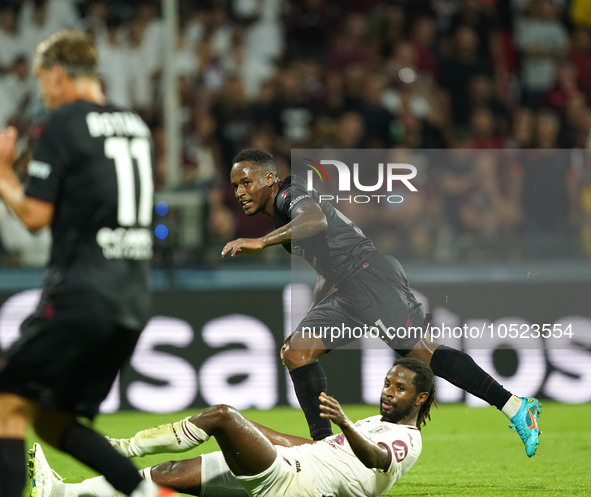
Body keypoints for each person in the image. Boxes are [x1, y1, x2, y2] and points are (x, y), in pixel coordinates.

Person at [220, 148, 542, 456]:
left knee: (422, 353)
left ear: (270, 179)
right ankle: (324, 451)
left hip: (368, 274)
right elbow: (325, 269)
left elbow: (315, 220)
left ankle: (515, 406)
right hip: (346, 287)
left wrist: (260, 242)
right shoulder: (282, 213)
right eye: (235, 185)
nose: (239, 192)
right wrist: (310, 317)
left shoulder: (290, 195)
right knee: (298, 352)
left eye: (246, 182)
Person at [0, 29, 174, 497]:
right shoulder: (134, 124)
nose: (42, 90)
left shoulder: (59, 123)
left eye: (42, 79)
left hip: (80, 296)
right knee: (55, 422)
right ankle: (144, 493)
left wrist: (1, 175)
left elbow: (35, 216)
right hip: (133, 299)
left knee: (7, 406)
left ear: (57, 74)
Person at [30, 358, 435, 497]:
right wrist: (258, 431)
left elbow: (376, 460)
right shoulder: (376, 422)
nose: (388, 392)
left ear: (420, 399)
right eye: (387, 383)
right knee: (168, 476)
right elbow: (318, 450)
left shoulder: (407, 441)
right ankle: (64, 493)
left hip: (295, 486)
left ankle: (124, 448)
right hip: (294, 467)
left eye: (400, 389)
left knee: (222, 414)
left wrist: (344, 423)